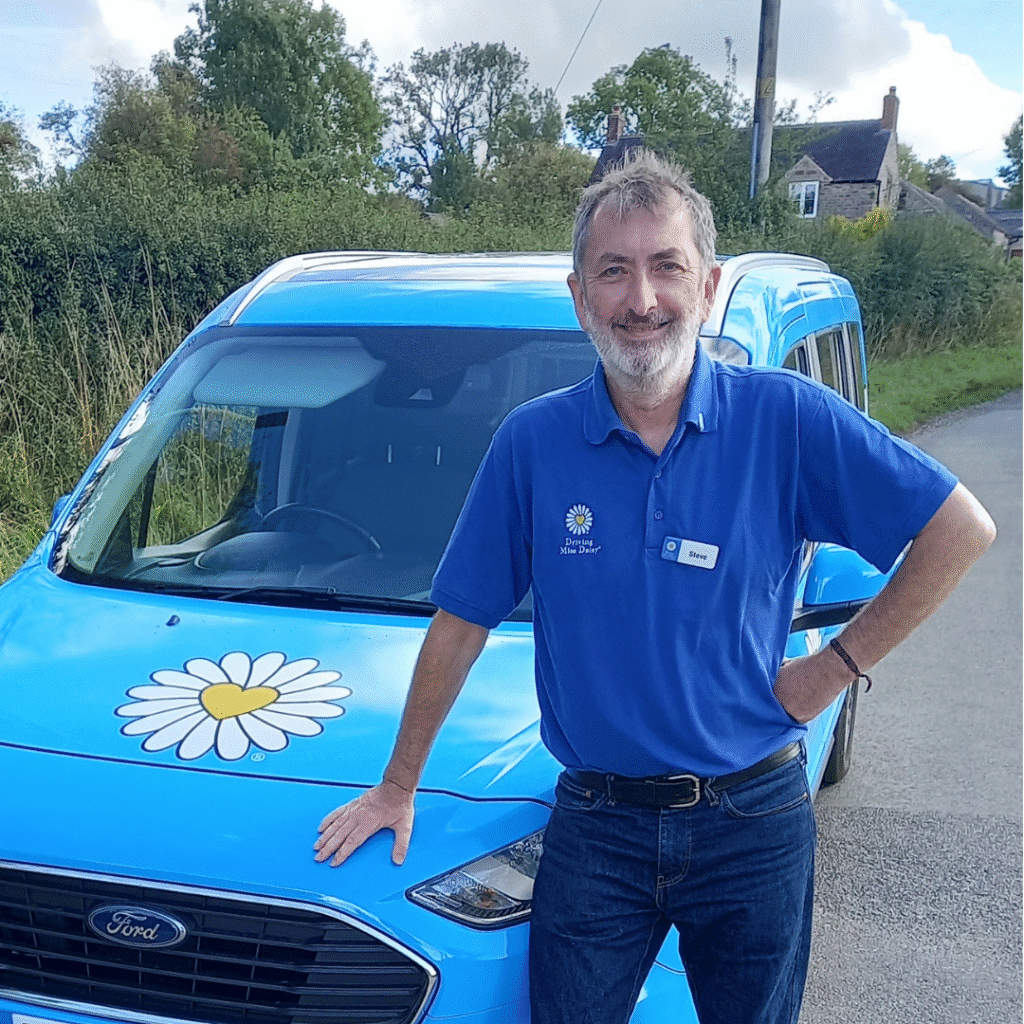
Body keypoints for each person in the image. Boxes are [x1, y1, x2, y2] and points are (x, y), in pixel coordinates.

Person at [312, 150, 996, 1024]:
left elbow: (958, 528)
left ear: (706, 286)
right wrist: (398, 784)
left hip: (754, 817)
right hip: (598, 828)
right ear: (580, 297)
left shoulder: (785, 418)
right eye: (614, 271)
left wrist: (835, 667)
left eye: (666, 266)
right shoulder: (532, 444)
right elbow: (461, 621)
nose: (642, 299)